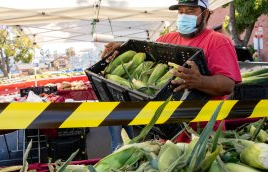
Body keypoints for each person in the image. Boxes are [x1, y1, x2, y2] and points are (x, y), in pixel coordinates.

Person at [101, 0, 241, 142]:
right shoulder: (167, 39)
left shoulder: (218, 42)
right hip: (167, 135)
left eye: (190, 12)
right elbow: (143, 56)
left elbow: (228, 85)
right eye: (180, 12)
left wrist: (199, 81)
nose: (183, 16)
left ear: (205, 14)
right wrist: (120, 51)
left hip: (203, 135)